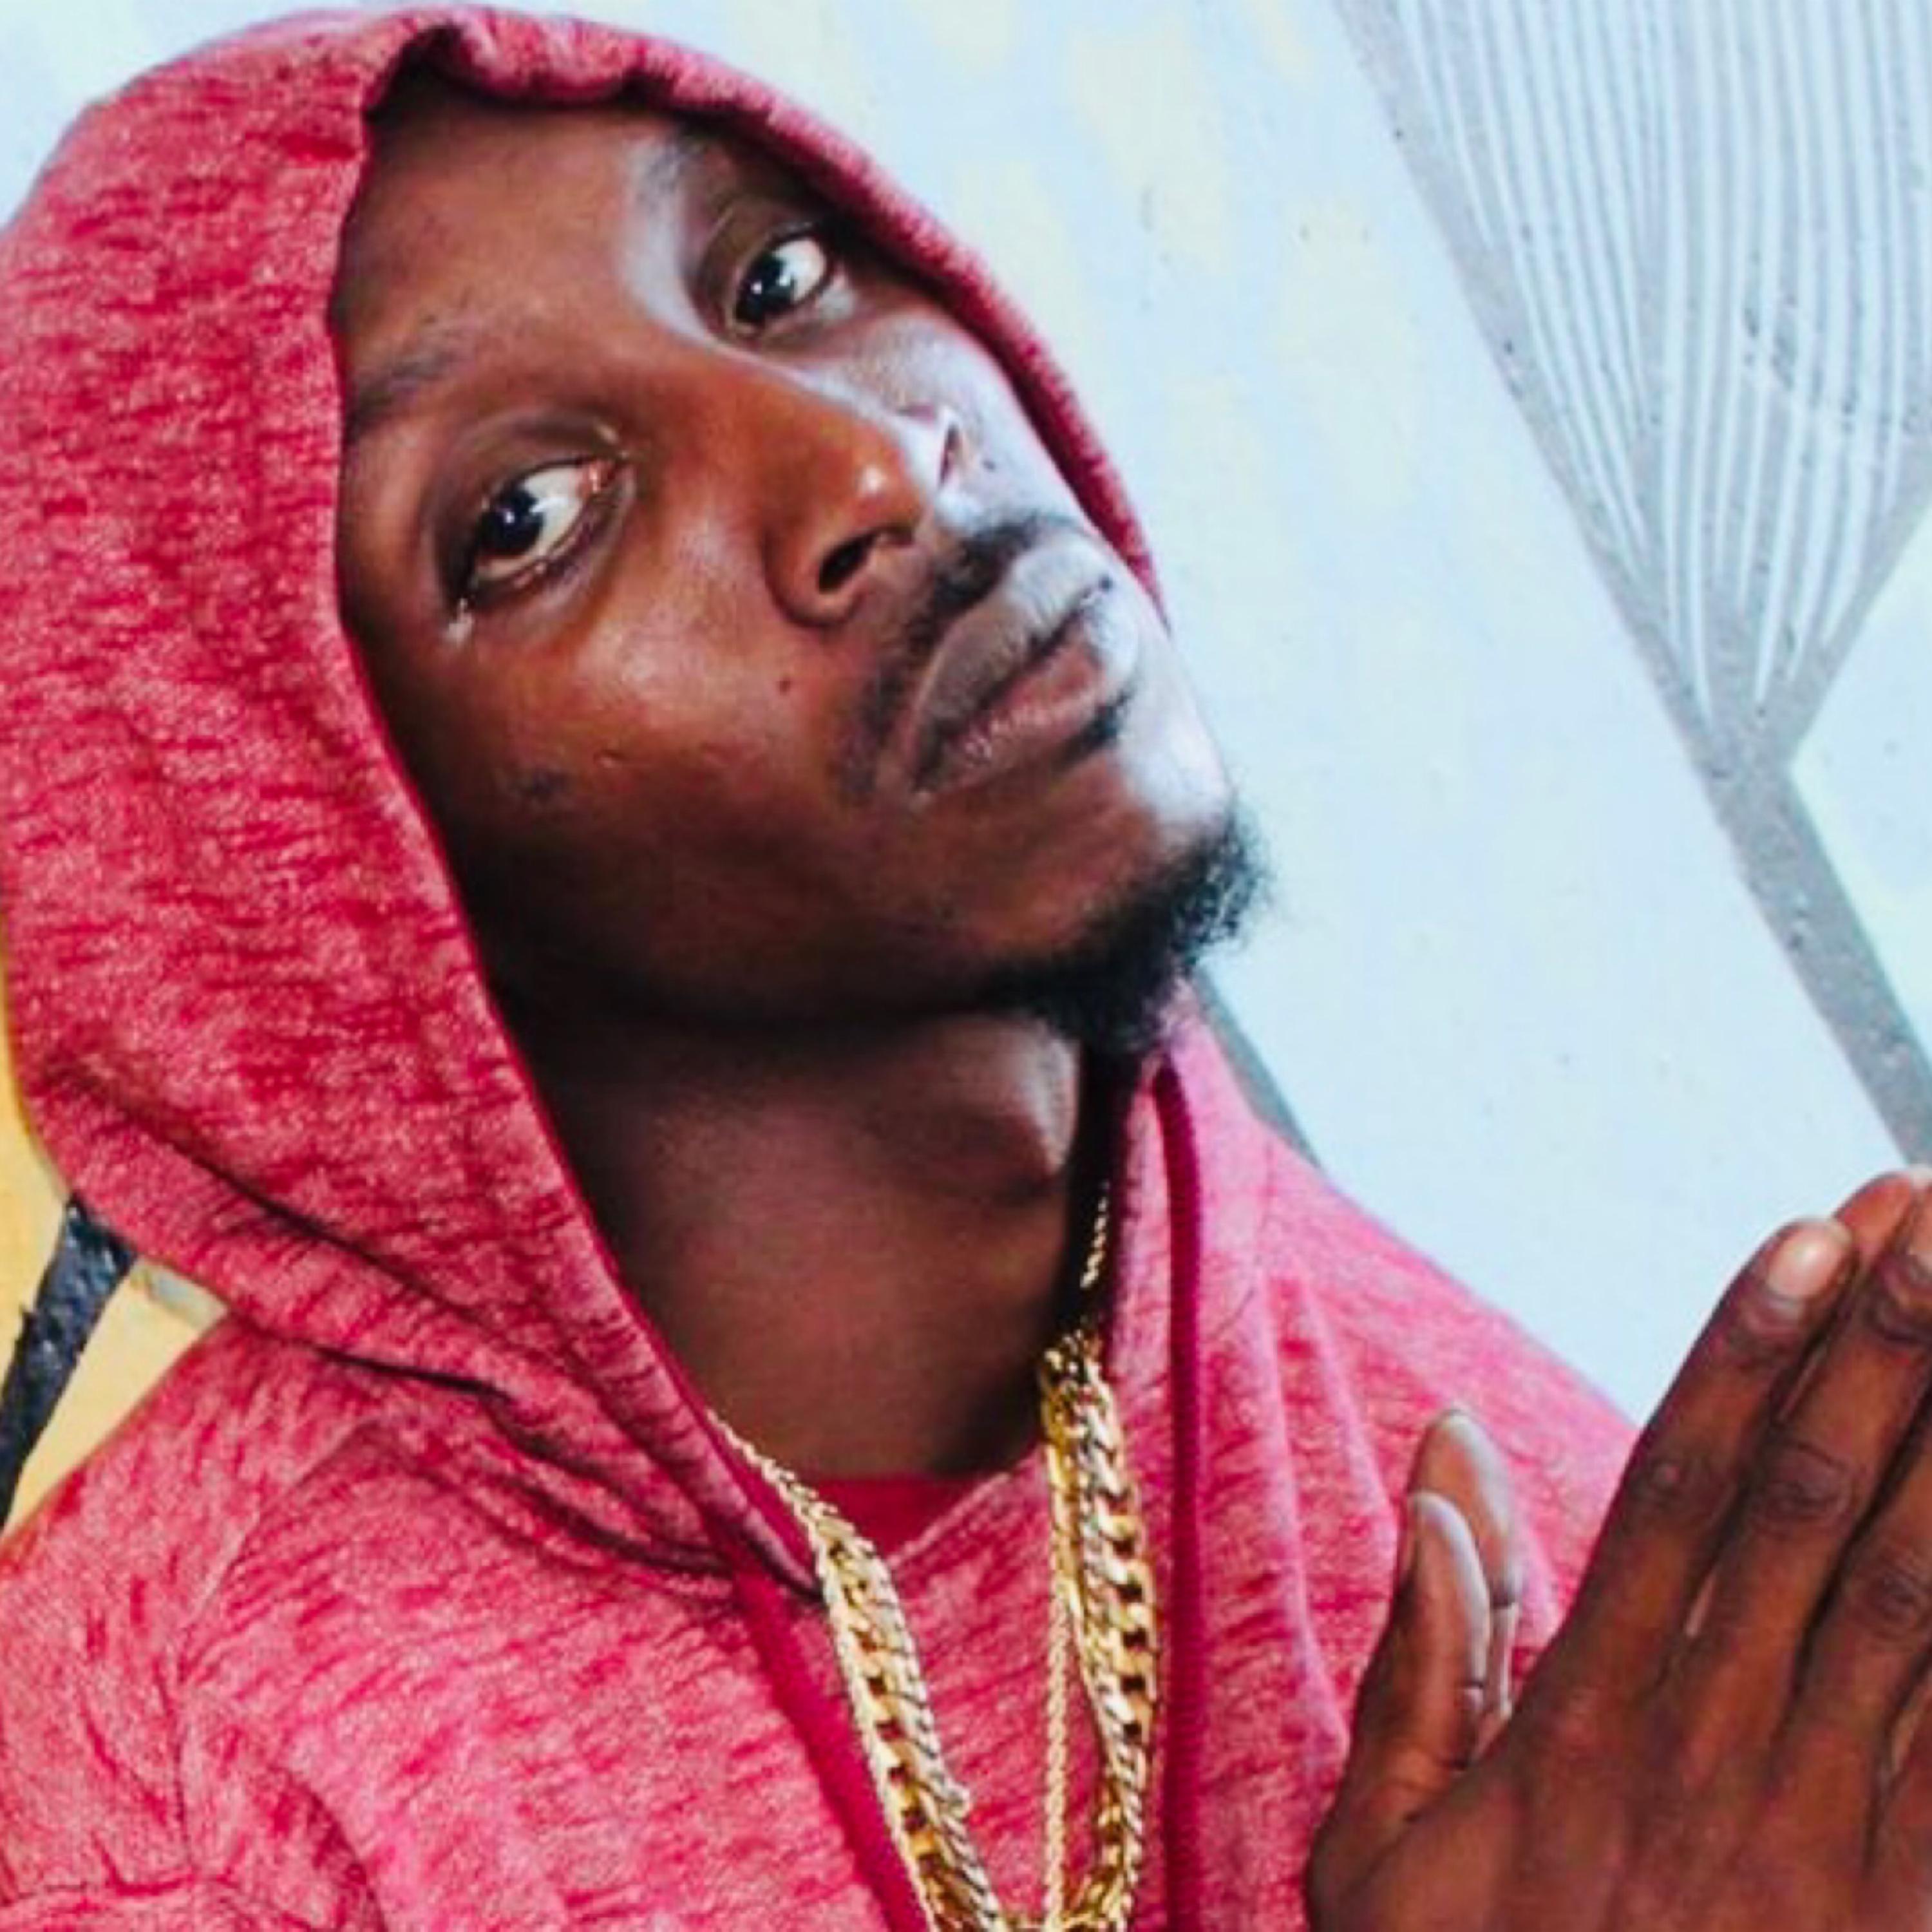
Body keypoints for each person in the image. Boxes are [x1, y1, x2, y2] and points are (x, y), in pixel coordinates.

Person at [0, 10, 1924, 1929]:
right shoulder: (189, 1797)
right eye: (530, 521)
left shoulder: (1465, 1473)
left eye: (779, 277)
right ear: (311, 877)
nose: (872, 461)